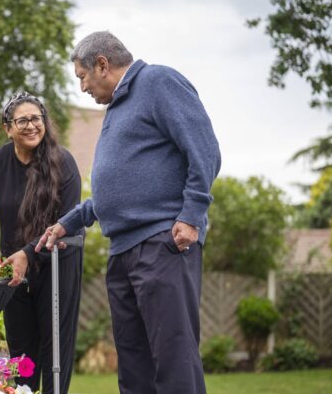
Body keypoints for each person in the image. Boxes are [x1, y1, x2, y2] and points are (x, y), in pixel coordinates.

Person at [35, 31, 221, 394]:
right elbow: (119, 191)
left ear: (102, 64)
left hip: (162, 242)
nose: (83, 87)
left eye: (82, 77)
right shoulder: (118, 107)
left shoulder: (158, 82)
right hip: (123, 250)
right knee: (134, 365)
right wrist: (70, 220)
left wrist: (192, 214)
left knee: (173, 358)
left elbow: (205, 149)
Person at [0, 92, 83, 394]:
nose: (31, 125)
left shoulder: (64, 163)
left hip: (58, 267)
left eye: (37, 118)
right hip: (15, 272)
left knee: (54, 353)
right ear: (8, 128)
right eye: (22, 120)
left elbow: (67, 222)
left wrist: (27, 253)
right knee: (22, 354)